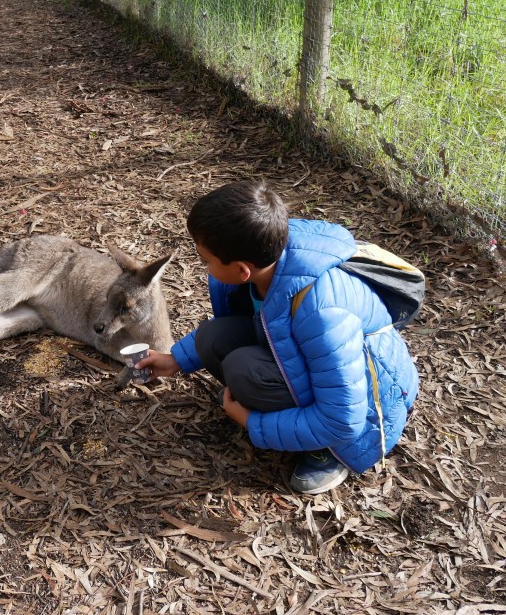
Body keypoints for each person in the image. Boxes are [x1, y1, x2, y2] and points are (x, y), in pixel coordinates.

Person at [138, 181, 419, 494]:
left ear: (242, 269)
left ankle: (328, 453)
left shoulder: (323, 312)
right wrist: (176, 359)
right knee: (211, 337)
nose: (203, 266)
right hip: (313, 367)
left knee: (244, 370)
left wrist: (253, 423)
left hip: (363, 415)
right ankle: (271, 404)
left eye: (206, 260)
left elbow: (344, 418)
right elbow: (252, 323)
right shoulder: (265, 250)